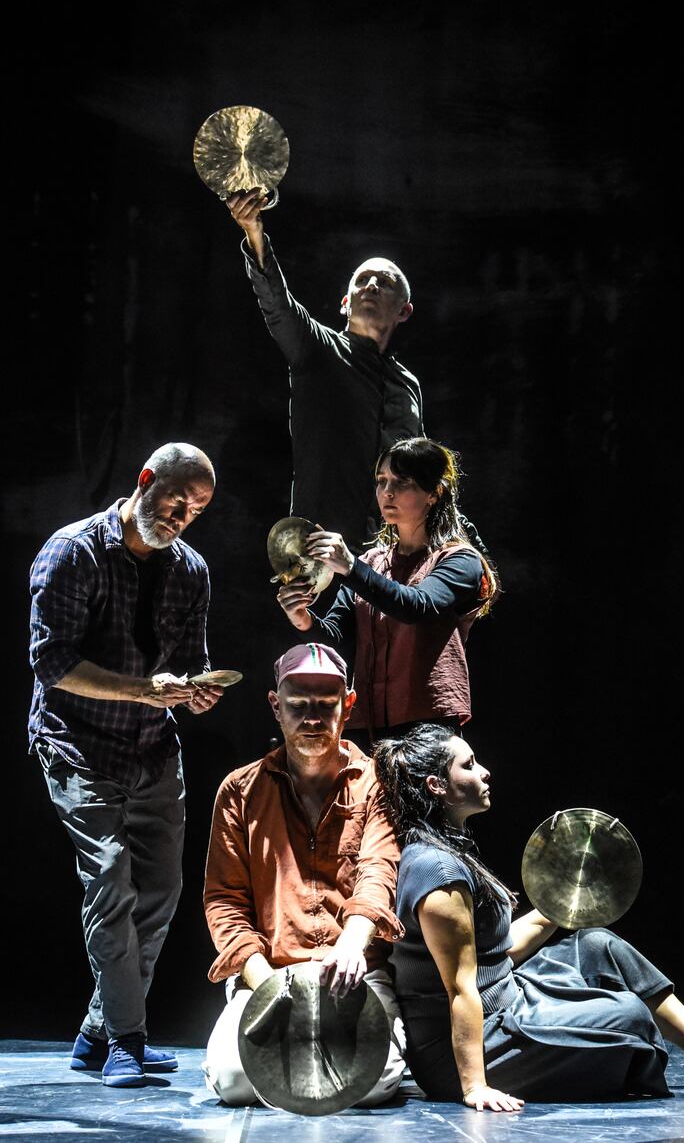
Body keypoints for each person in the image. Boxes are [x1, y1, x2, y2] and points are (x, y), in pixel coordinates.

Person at [373, 723, 684, 1112]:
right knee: (629, 1017)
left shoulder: (448, 849)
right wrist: (474, 1087)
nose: (485, 772)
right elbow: (461, 987)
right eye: (468, 765)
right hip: (471, 1047)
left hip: (504, 1001)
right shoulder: (439, 874)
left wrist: (565, 899)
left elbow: (496, 954)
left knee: (597, 944)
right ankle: (669, 1050)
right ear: (436, 786)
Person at [28, 442, 225, 1088]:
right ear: (145, 480)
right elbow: (53, 665)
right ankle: (126, 1040)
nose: (182, 516)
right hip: (78, 744)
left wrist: (194, 691)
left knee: (162, 890)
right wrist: (144, 688)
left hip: (151, 745)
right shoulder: (72, 552)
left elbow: (186, 666)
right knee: (110, 880)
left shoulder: (191, 570)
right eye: (177, 499)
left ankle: (96, 1031)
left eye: (196, 509)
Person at [202, 642, 406, 1107]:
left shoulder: (377, 783)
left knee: (374, 1083)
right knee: (233, 1081)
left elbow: (378, 872)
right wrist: (265, 982)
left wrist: (351, 945)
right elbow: (225, 903)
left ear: (348, 705)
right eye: (298, 705)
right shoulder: (240, 791)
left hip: (354, 973)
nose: (312, 717)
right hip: (273, 972)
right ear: (276, 706)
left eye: (325, 704)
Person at [227, 189, 422, 552]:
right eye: (362, 280)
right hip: (319, 556)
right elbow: (278, 305)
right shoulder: (318, 348)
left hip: (388, 561)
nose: (373, 286)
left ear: (404, 311)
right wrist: (254, 233)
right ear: (345, 303)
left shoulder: (408, 385)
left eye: (386, 282)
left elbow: (423, 472)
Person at [276, 439, 498, 739]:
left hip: (427, 724)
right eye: (382, 481)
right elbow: (337, 637)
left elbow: (414, 606)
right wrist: (302, 617)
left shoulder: (460, 559)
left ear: (435, 492)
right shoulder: (372, 561)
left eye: (402, 482)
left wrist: (352, 568)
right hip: (365, 724)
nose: (387, 492)